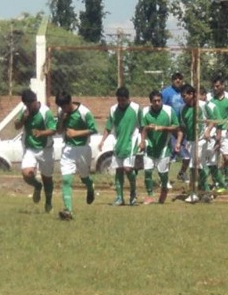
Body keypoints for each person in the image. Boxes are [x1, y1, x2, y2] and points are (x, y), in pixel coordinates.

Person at [53, 90, 96, 220]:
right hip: (68, 149)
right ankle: (68, 211)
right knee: (66, 180)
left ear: (70, 102)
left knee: (84, 177)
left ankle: (90, 187)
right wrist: (61, 120)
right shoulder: (62, 113)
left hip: (83, 149)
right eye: (61, 107)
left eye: (65, 106)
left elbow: (93, 129)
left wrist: (76, 133)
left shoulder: (84, 112)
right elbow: (59, 130)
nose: (63, 109)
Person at [14, 87, 56, 212]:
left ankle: (48, 203)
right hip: (30, 148)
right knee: (27, 174)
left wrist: (41, 133)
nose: (27, 107)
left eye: (29, 104)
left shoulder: (45, 112)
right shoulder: (25, 111)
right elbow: (16, 126)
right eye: (25, 104)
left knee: (47, 177)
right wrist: (23, 119)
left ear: (35, 101)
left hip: (46, 149)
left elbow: (53, 130)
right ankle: (37, 186)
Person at [105, 86, 142, 206]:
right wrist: (102, 141)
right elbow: (108, 126)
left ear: (128, 99)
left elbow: (143, 126)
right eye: (119, 100)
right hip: (118, 143)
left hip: (131, 142)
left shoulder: (136, 108)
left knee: (128, 169)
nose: (121, 102)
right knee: (119, 170)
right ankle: (119, 198)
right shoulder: (113, 110)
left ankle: (133, 195)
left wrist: (143, 141)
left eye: (123, 100)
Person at [139, 89, 178, 203]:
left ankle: (164, 189)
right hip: (150, 146)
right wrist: (142, 141)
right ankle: (150, 195)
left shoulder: (169, 111)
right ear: (150, 102)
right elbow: (143, 128)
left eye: (159, 100)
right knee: (147, 171)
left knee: (162, 173)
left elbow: (176, 127)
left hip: (164, 147)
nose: (157, 103)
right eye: (154, 101)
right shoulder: (145, 112)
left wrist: (164, 128)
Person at [202, 76, 228, 191]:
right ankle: (216, 182)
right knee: (212, 158)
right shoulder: (209, 97)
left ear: (223, 85)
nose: (215, 88)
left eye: (217, 86)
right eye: (213, 86)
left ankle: (227, 181)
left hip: (225, 130)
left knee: (226, 157)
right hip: (213, 130)